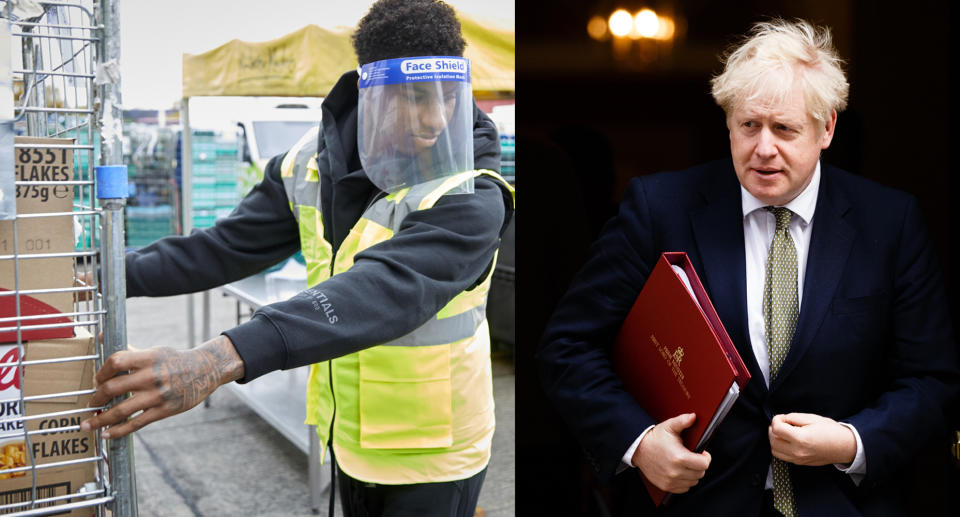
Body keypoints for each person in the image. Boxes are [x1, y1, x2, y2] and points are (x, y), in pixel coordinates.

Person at [79, 1, 515, 516]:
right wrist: (98, 274)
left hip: (436, 453)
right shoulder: (308, 163)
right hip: (349, 439)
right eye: (416, 97)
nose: (436, 120)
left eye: (448, 97)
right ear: (369, 92)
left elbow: (384, 289)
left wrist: (216, 359)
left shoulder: (472, 191)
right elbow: (225, 247)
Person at [537, 19, 957, 516]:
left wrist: (851, 441)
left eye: (784, 129)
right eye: (749, 125)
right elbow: (568, 346)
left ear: (827, 128)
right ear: (729, 123)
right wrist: (639, 441)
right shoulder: (659, 208)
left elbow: (931, 379)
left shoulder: (889, 221)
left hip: (838, 504)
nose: (763, 148)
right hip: (693, 505)